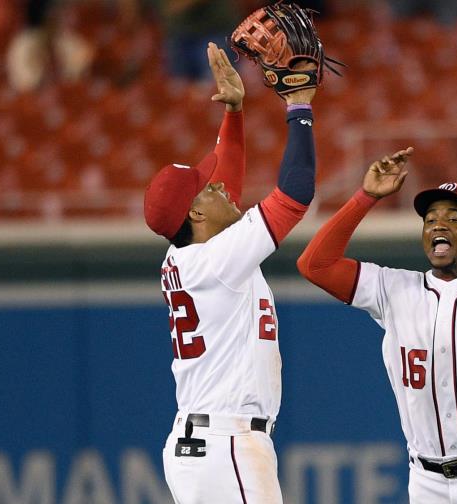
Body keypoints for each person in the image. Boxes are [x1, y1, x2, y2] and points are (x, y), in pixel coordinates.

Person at [296, 153, 457, 502]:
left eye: (454, 219)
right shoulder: (393, 289)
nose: (438, 225)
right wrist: (365, 197)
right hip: (428, 482)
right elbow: (314, 264)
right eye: (430, 220)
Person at [143, 42, 318, 504]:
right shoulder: (217, 260)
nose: (219, 183)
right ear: (197, 214)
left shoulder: (192, 254)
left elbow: (229, 180)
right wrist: (299, 107)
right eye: (207, 188)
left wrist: (235, 114)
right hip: (226, 443)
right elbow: (295, 194)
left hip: (205, 443)